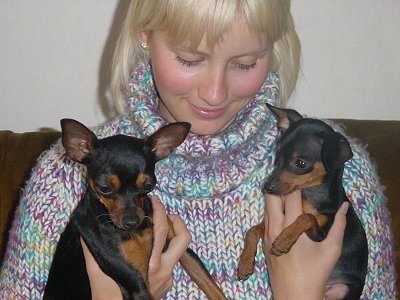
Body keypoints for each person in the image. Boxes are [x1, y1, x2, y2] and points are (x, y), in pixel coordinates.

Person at [0, 1, 395, 299]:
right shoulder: (62, 178)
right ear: (145, 34)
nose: (214, 93)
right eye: (189, 58)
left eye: (245, 63)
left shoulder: (340, 170)